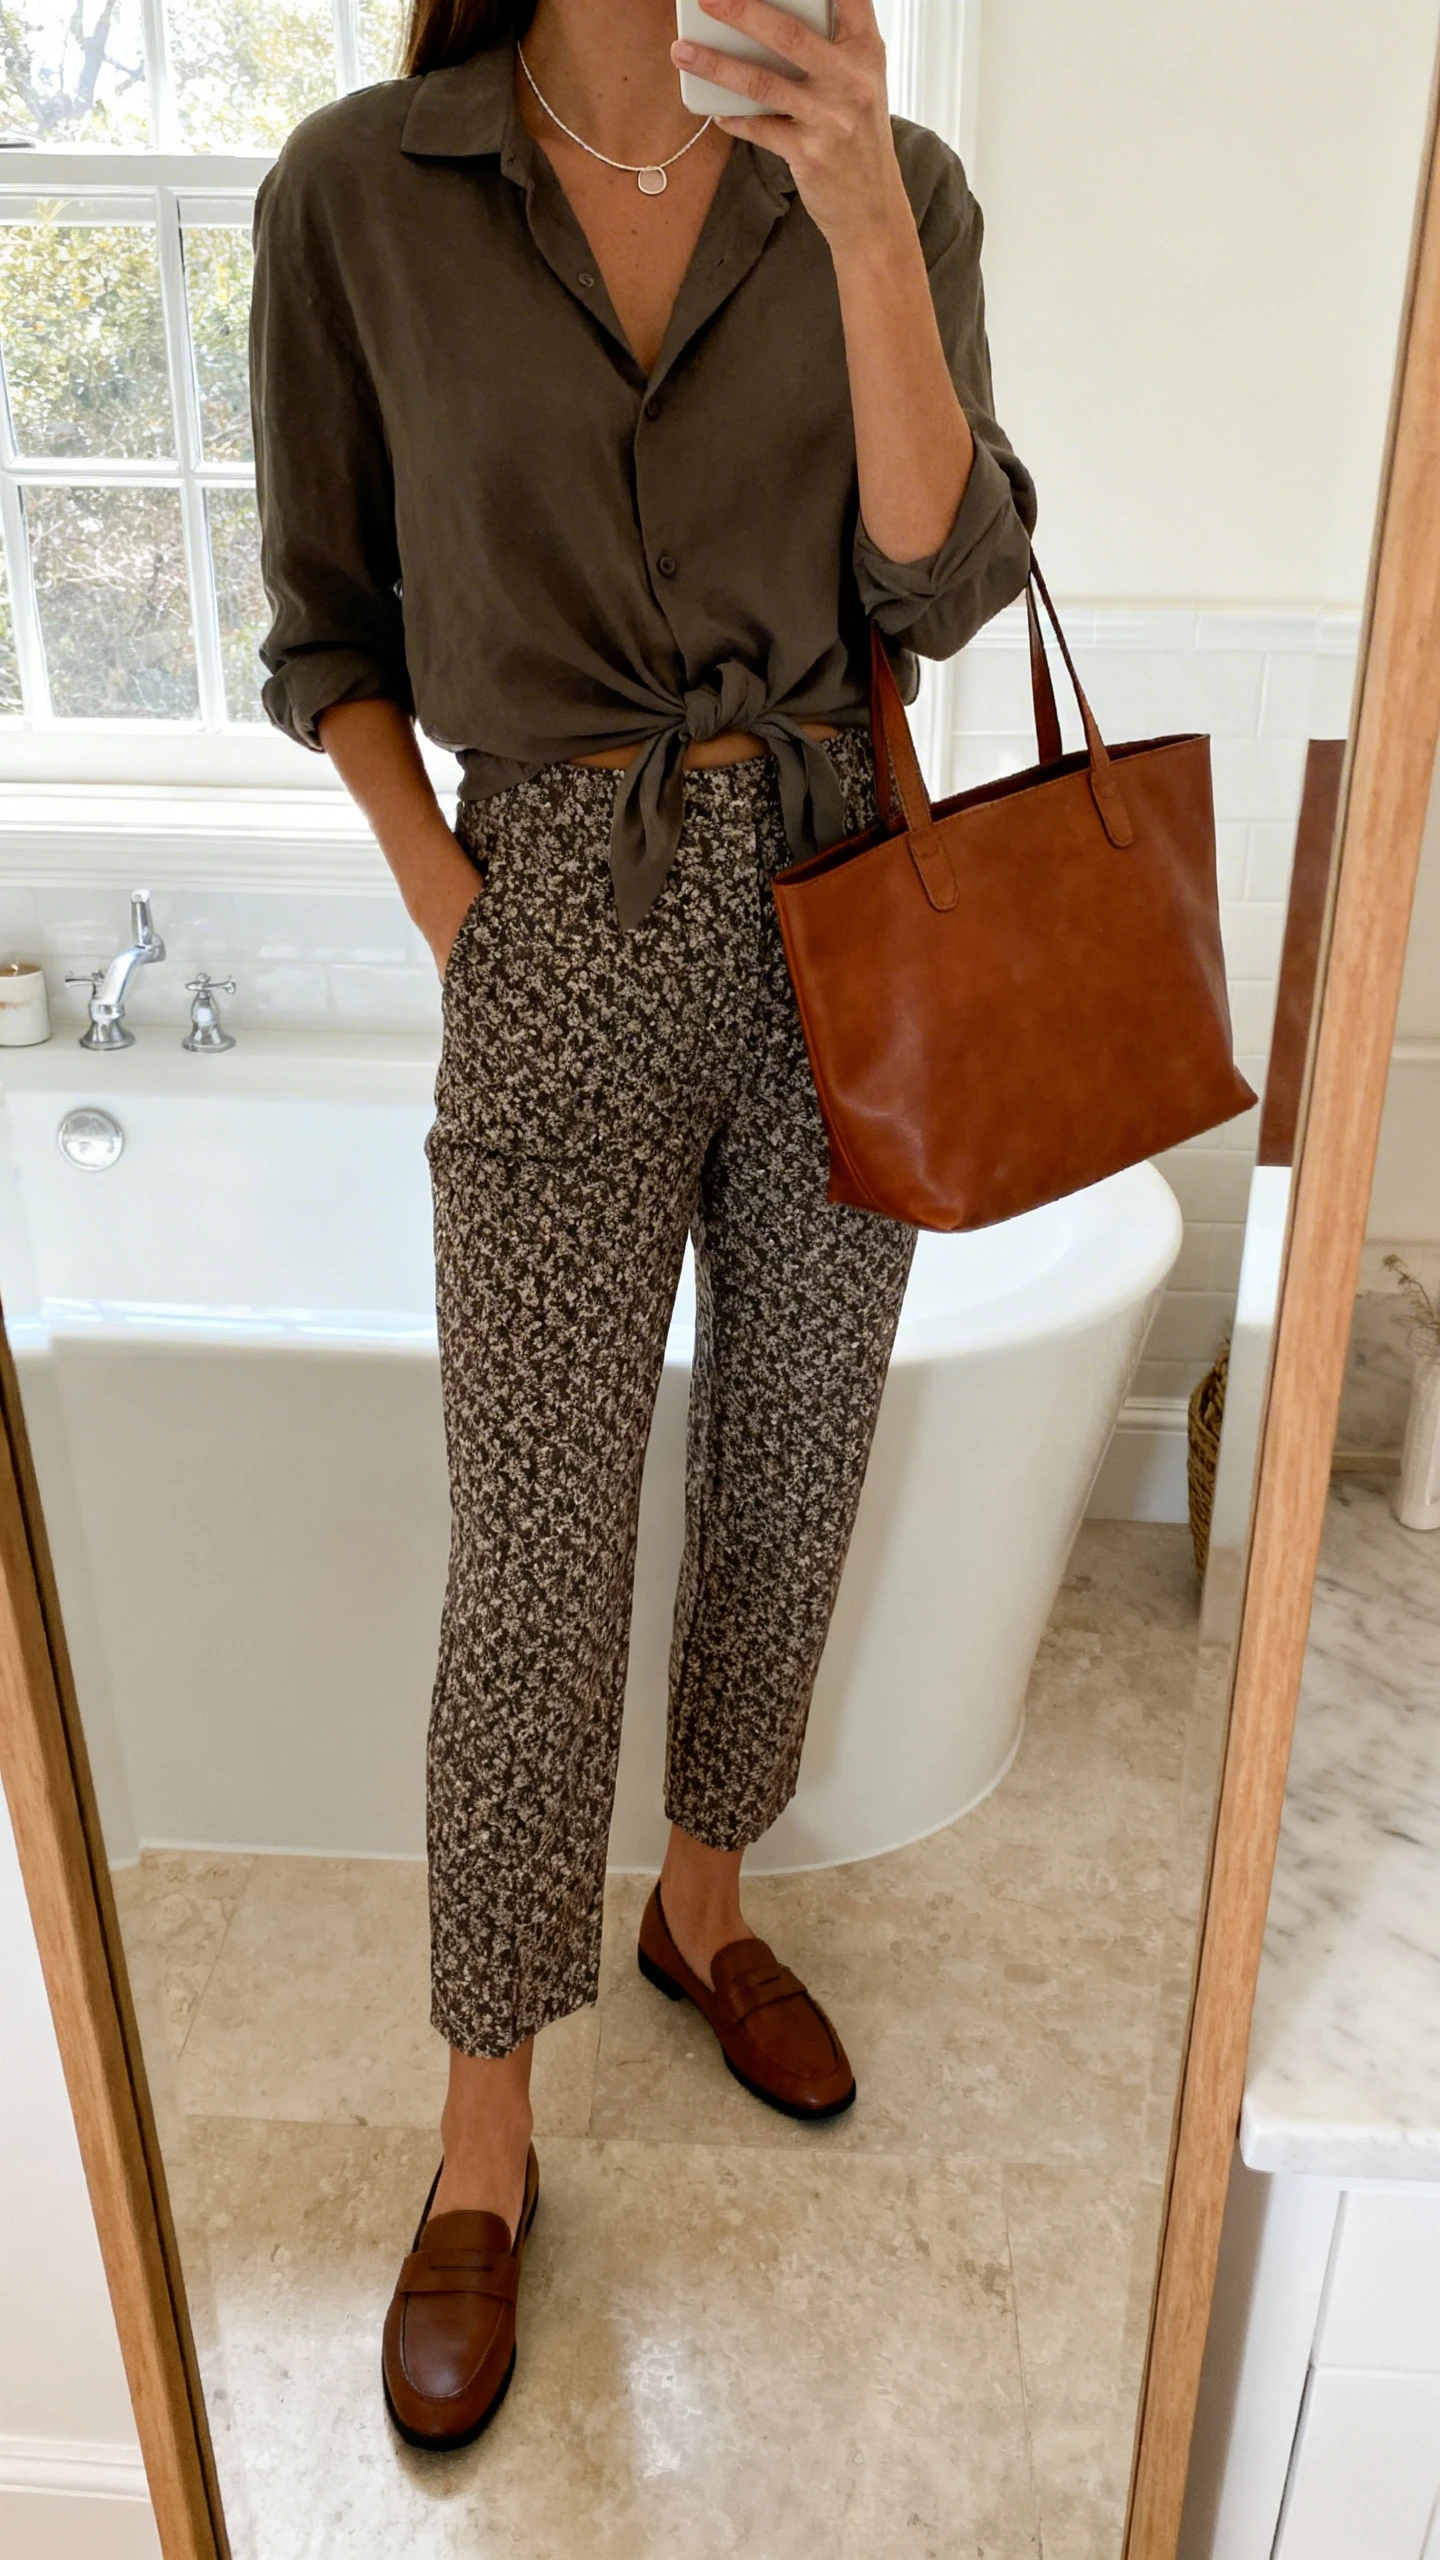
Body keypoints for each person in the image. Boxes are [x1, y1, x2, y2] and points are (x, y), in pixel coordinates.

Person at [250, 0, 1034, 2450]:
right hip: (557, 913)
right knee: (535, 1561)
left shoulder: (884, 183)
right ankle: (485, 2123)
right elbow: (329, 630)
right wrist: (458, 905)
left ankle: (704, 1895)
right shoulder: (361, 192)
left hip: (839, 906)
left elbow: (948, 587)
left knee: (794, 1464)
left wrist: (867, 219)